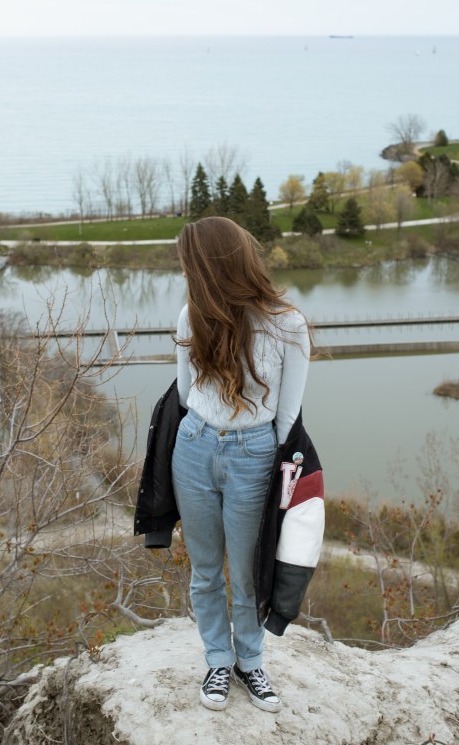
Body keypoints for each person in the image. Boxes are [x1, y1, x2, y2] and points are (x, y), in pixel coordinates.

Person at [172, 216, 310, 713]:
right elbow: (186, 395)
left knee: (249, 572)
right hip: (193, 447)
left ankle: (249, 662)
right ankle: (217, 659)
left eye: (190, 263)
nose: (185, 271)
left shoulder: (287, 324)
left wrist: (254, 451)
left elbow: (288, 414)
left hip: (255, 454)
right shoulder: (192, 316)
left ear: (211, 265)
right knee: (206, 569)